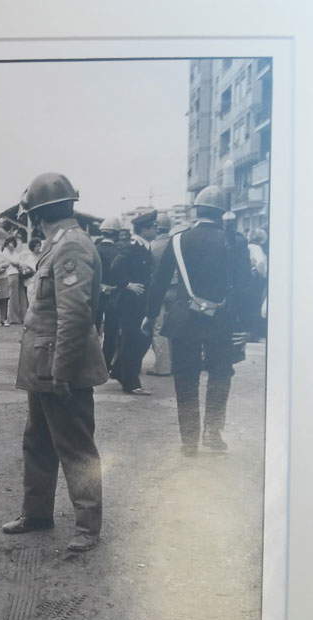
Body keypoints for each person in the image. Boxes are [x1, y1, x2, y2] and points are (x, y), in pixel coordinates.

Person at [2, 173, 108, 553]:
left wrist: (61, 372)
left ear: (37, 214)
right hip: (42, 363)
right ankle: (37, 512)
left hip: (60, 366)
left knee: (76, 446)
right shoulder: (56, 244)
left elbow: (75, 316)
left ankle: (87, 526)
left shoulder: (71, 247)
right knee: (38, 441)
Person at [142, 186, 252, 456]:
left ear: (197, 210)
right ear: (222, 213)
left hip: (184, 319)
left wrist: (150, 314)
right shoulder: (235, 242)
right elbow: (245, 287)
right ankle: (213, 434)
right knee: (220, 374)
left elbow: (158, 282)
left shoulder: (178, 241)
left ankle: (189, 440)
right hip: (223, 320)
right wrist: (246, 326)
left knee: (185, 377)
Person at [106, 210, 155, 394]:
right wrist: (126, 284)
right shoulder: (133, 246)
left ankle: (120, 371)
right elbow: (115, 267)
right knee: (133, 340)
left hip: (138, 301)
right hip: (130, 302)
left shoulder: (143, 246)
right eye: (153, 227)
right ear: (144, 229)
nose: (156, 229)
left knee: (138, 339)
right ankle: (131, 383)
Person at [146, 213, 176, 376]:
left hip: (158, 290)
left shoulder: (152, 245)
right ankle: (175, 363)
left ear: (157, 228)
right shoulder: (176, 243)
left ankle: (163, 366)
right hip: (176, 289)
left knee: (158, 328)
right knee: (175, 326)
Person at [94, 218, 121, 338]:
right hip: (115, 294)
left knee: (94, 327)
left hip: (97, 293)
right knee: (111, 332)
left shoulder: (94, 249)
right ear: (116, 234)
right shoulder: (120, 251)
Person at [1, 228, 29, 324]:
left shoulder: (15, 252)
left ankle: (22, 317)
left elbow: (19, 262)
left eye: (13, 243)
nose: (12, 245)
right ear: (6, 243)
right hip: (11, 275)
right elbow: (13, 262)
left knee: (21, 297)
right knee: (13, 297)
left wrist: (20, 265)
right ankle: (13, 318)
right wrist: (19, 264)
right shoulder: (4, 252)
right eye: (10, 243)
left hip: (18, 274)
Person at [246, 228, 269, 341]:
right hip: (257, 280)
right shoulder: (257, 248)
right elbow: (260, 263)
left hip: (248, 279)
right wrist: (264, 275)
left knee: (250, 305)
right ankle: (255, 333)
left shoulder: (247, 246)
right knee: (257, 305)